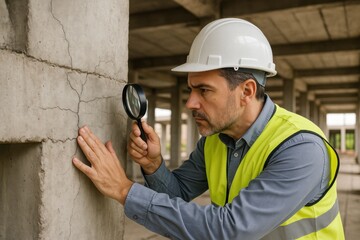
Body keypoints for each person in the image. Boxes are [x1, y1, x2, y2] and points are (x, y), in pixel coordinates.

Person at [72, 18, 345, 239]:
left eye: (204, 90)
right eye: (191, 89)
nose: (190, 102)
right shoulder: (216, 141)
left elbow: (227, 230)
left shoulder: (301, 149)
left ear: (246, 91)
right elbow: (178, 194)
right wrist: (154, 165)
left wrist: (123, 189)